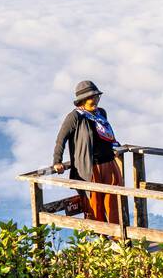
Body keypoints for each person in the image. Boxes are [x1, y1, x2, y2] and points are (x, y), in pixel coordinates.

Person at [52, 80, 124, 224]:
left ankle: (117, 238)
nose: (96, 100)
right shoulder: (75, 117)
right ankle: (101, 239)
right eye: (93, 97)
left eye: (97, 96)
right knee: (94, 203)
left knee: (114, 202)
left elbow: (106, 135)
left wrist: (116, 147)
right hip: (90, 167)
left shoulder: (101, 113)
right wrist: (57, 161)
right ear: (83, 100)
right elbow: (61, 139)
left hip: (109, 163)